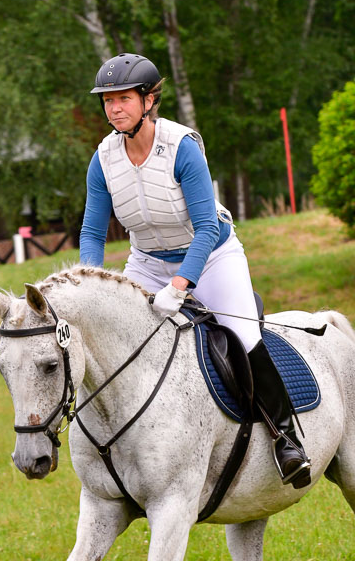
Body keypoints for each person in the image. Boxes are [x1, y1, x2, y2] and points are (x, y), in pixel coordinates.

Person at [79, 52, 311, 489]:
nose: (114, 108)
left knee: (244, 335)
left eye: (123, 98)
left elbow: (207, 226)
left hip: (212, 255)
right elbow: (92, 231)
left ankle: (286, 438)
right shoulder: (103, 159)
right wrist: (89, 288)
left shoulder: (181, 146)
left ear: (148, 100)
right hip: (146, 261)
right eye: (107, 101)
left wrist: (181, 284)